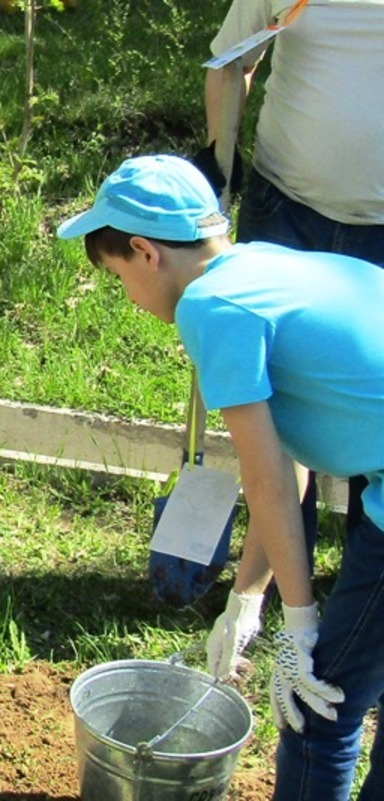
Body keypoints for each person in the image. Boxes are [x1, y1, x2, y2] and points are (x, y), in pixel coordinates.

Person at [58, 154, 384, 800]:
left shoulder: (210, 305)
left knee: (321, 705)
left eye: (119, 275)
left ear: (146, 253)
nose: (128, 297)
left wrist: (300, 627)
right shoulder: (267, 267)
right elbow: (287, 469)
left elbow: (262, 478)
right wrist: (248, 599)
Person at [199, 0, 384, 539]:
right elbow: (232, 63)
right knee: (274, 405)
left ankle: (363, 579)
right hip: (286, 208)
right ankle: (279, 567)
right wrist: (220, 173)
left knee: (374, 400)